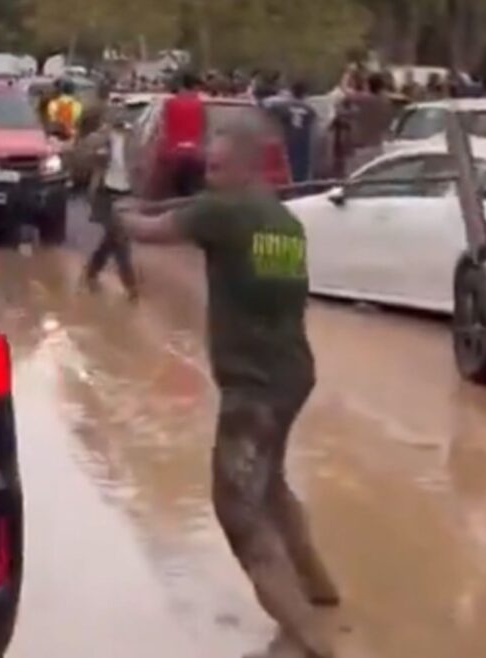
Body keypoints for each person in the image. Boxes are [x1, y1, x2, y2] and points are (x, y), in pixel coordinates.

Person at [115, 125, 341, 658]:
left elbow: (150, 231)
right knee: (271, 484)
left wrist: (119, 213)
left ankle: (306, 638)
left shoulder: (223, 212)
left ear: (245, 168)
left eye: (215, 169)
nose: (207, 178)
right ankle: (319, 588)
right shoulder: (283, 221)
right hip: (291, 373)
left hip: (253, 387)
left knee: (236, 506)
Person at [82, 108, 139, 298]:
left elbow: (140, 166)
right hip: (105, 192)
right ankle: (130, 284)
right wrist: (100, 146)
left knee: (113, 238)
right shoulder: (102, 138)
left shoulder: (135, 139)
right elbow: (86, 153)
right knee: (119, 239)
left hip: (127, 193)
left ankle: (92, 271)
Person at [162, 71, 207, 198]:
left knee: (178, 192)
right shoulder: (199, 105)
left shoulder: (170, 104)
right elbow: (203, 129)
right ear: (194, 87)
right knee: (192, 192)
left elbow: (165, 128)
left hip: (174, 154)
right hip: (194, 154)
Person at [267, 81, 318, 183]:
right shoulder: (309, 109)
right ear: (304, 94)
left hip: (288, 139)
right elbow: (313, 124)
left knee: (287, 166)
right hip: (303, 141)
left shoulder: (282, 106)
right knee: (302, 168)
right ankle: (301, 187)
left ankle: (290, 186)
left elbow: (267, 109)